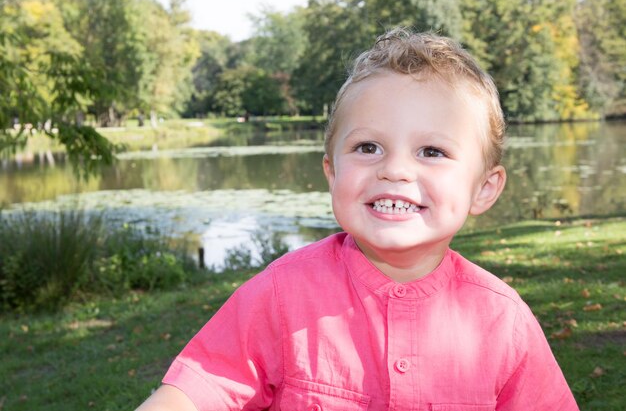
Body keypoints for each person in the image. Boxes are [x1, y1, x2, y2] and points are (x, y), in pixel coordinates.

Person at [135, 28, 579, 411]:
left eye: (432, 151)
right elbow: (198, 390)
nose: (395, 170)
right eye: (368, 147)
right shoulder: (280, 294)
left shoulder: (503, 321)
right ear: (332, 172)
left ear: (484, 188)